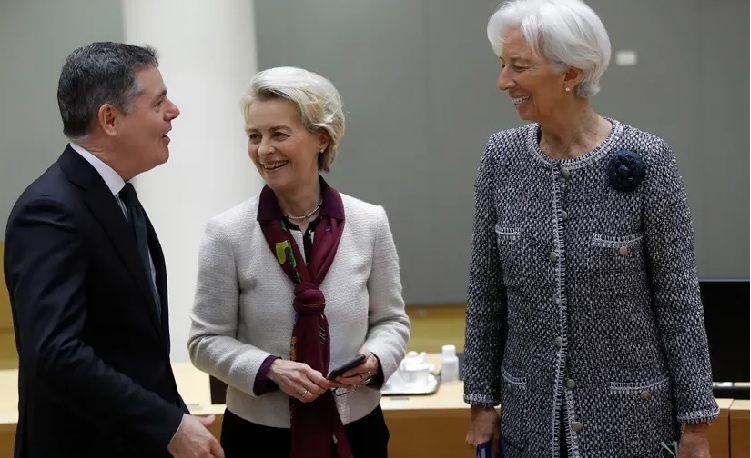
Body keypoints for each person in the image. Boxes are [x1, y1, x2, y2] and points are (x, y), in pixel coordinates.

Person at [461, 1, 718, 457]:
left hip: (632, 423)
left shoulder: (649, 158)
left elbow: (678, 298)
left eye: (519, 66)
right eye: (502, 65)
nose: (503, 82)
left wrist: (696, 424)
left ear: (572, 72)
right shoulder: (501, 159)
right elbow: (486, 291)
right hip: (530, 419)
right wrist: (481, 401)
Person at [3, 42, 224, 458]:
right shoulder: (50, 210)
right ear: (110, 119)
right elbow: (54, 353)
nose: (174, 111)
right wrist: (166, 424)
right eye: (159, 102)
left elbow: (129, 345)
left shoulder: (120, 197)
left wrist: (172, 413)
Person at [187, 66, 410, 458]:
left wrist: (375, 359)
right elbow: (204, 343)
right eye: (254, 136)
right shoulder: (227, 232)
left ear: (321, 138)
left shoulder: (369, 222)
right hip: (260, 437)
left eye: (278, 134)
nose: (263, 149)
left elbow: (391, 321)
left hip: (356, 431)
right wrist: (270, 368)